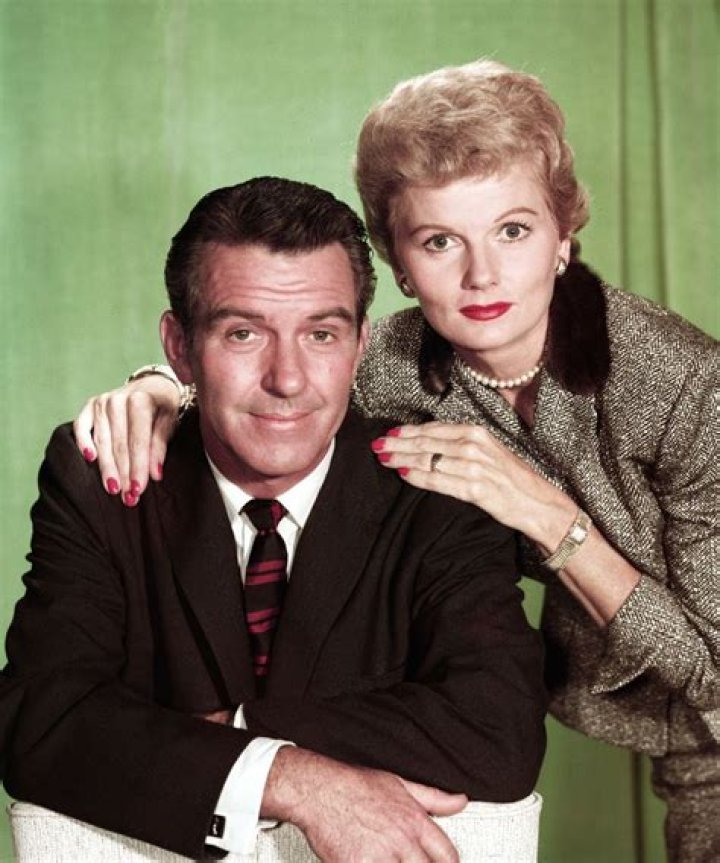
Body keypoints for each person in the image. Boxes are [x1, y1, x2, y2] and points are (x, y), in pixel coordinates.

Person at [73, 61, 720, 862]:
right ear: (399, 264)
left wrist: (548, 517)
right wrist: (160, 394)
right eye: (440, 241)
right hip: (668, 744)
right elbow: (274, 376)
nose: (481, 275)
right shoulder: (390, 362)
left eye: (513, 231)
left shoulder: (683, 383)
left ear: (564, 237)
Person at [0, 176, 547, 862]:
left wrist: (231, 730)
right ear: (179, 346)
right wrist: (290, 778)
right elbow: (40, 720)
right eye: (243, 333)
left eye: (321, 334)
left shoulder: (438, 488)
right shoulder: (105, 479)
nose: (287, 379)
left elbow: (499, 729)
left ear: (359, 344)